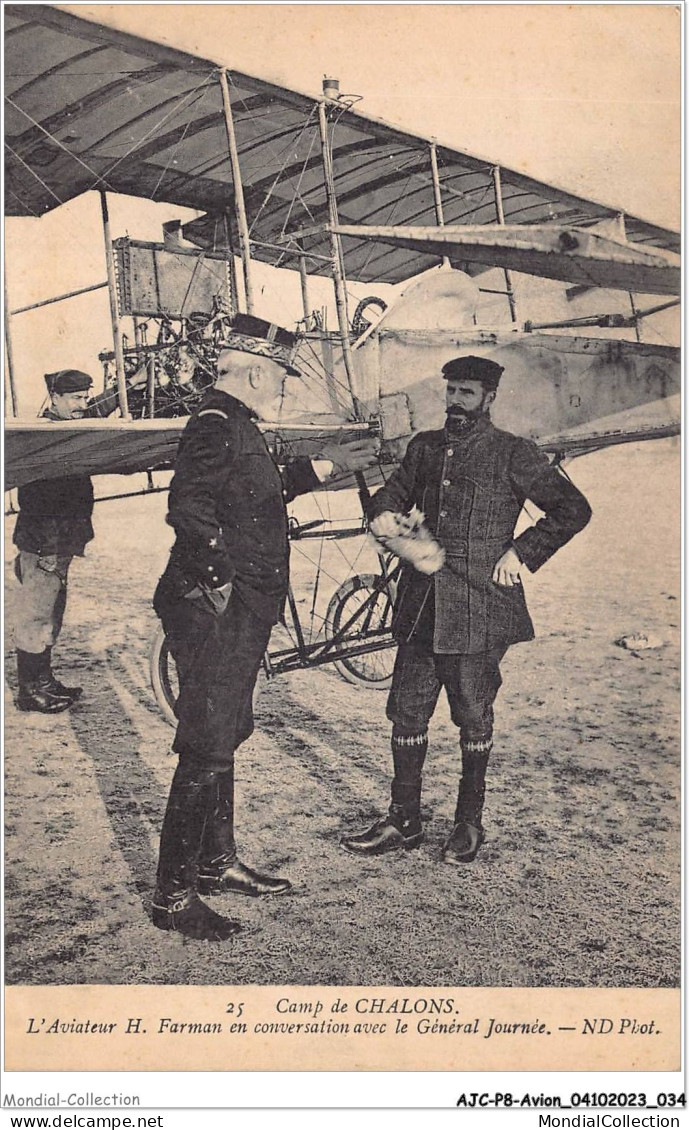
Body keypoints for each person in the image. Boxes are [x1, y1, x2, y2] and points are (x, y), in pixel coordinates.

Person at [151, 313, 378, 940]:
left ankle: (216, 863)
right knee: (206, 737)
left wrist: (325, 466)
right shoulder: (215, 425)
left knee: (228, 727)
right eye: (278, 375)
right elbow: (188, 510)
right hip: (213, 605)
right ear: (253, 370)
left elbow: (258, 492)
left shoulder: (236, 425)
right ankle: (172, 897)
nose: (281, 386)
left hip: (235, 606)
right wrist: (223, 583)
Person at [340, 355, 592, 865]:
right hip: (420, 606)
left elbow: (573, 510)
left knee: (473, 716)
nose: (455, 402)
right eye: (450, 391)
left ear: (489, 398)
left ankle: (468, 823)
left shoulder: (513, 454)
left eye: (466, 393)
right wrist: (385, 512)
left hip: (480, 605)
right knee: (407, 711)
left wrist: (522, 551)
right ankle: (403, 820)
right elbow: (392, 490)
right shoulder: (425, 447)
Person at [13, 369, 122, 714]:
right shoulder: (43, 438)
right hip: (44, 546)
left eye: (85, 398)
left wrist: (127, 388)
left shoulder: (70, 428)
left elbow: (98, 410)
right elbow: (36, 503)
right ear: (55, 398)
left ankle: (44, 680)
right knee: (37, 615)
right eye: (75, 399)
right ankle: (30, 690)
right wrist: (47, 553)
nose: (82, 405)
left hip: (60, 546)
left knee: (52, 615)